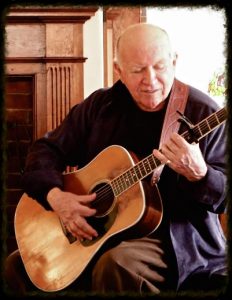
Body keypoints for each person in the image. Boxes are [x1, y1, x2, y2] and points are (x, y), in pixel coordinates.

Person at [4, 23, 227, 296]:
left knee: (117, 264)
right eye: (137, 70)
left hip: (176, 242)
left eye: (159, 67)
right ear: (118, 70)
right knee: (18, 266)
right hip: (105, 232)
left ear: (174, 61)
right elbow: (46, 150)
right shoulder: (101, 106)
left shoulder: (204, 112)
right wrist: (56, 197)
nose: (151, 80)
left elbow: (224, 193)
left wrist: (200, 174)